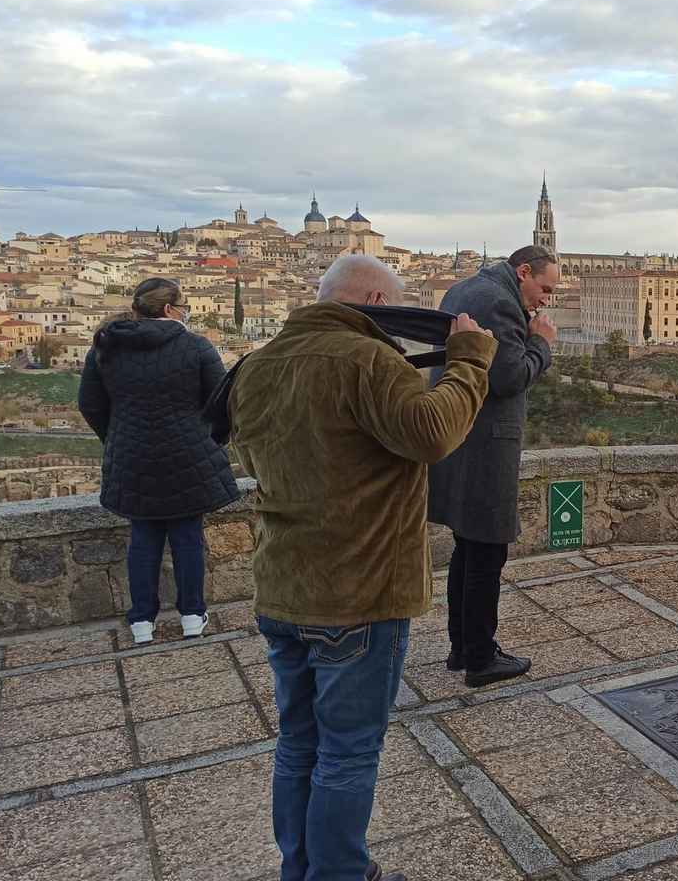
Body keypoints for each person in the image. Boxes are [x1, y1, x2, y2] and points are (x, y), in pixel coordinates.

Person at [230, 255, 496, 881]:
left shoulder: (255, 365)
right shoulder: (366, 359)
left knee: (298, 743)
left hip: (283, 586)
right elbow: (433, 433)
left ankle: (301, 869)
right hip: (359, 591)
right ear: (377, 300)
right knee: (348, 752)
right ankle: (340, 874)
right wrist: (469, 361)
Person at [78, 277, 239, 645]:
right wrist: (211, 440)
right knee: (187, 537)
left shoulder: (107, 346)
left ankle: (141, 623)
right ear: (169, 309)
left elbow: (90, 403)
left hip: (133, 456)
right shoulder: (196, 346)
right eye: (183, 305)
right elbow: (222, 403)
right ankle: (192, 617)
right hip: (188, 456)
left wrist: (116, 437)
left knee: (144, 538)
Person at [428, 245, 558, 687]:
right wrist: (541, 342)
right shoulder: (499, 302)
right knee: (486, 552)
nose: (546, 300)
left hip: (459, 436)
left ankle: (461, 648)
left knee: (468, 549)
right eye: (544, 288)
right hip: (485, 446)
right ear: (523, 271)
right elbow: (508, 377)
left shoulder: (463, 289)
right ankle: (481, 658)